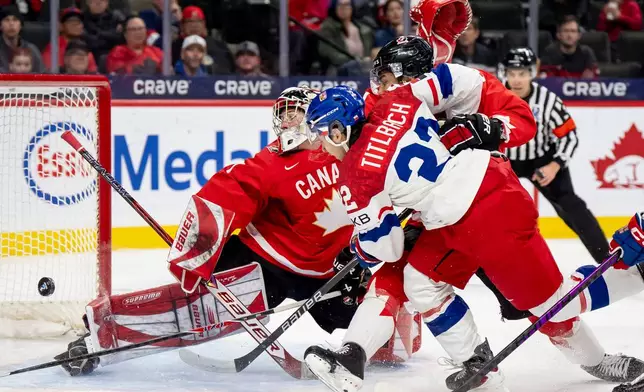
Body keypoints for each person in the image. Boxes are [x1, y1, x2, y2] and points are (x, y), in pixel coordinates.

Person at [304, 36, 644, 392]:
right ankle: (476, 363)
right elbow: (451, 80)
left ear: (339, 131)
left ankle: (634, 281)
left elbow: (385, 248)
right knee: (420, 283)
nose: (320, 147)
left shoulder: (355, 175)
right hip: (465, 207)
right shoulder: (401, 97)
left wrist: (362, 246)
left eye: (321, 137)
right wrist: (438, 57)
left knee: (552, 308)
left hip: (487, 212)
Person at [55, 87, 421, 376]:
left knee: (372, 325)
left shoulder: (346, 155)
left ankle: (393, 338)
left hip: (326, 270)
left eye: (298, 113)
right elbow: (222, 195)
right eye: (285, 114)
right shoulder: (269, 164)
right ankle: (102, 334)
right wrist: (194, 254)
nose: (291, 122)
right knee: (201, 313)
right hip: (265, 261)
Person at [500, 46, 610, 264]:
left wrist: (555, 164)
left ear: (532, 72)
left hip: (542, 157)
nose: (517, 80)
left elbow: (569, 135)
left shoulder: (547, 100)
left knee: (571, 206)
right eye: (512, 74)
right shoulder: (494, 97)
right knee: (484, 209)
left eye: (522, 73)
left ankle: (605, 258)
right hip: (505, 160)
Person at [42, 7, 98, 73]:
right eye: (70, 21)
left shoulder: (86, 47)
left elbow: (93, 74)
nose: (75, 24)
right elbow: (51, 75)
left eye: (78, 21)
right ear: (61, 26)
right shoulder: (53, 48)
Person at [0, 5, 44, 73]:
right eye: (7, 20)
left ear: (20, 25)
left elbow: (42, 74)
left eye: (15, 20)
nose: (11, 23)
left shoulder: (32, 50)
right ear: (0, 26)